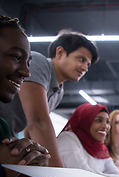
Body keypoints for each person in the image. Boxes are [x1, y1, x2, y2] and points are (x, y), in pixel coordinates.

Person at [0, 29, 99, 169]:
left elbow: (30, 129)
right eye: (81, 59)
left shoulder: (59, 91)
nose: (85, 68)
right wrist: (59, 175)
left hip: (7, 141)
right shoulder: (38, 62)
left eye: (88, 64)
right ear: (60, 52)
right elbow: (38, 122)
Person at [0, 15, 52, 177]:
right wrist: (3, 172)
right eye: (16, 57)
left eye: (28, 62)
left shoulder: (2, 127)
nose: (26, 72)